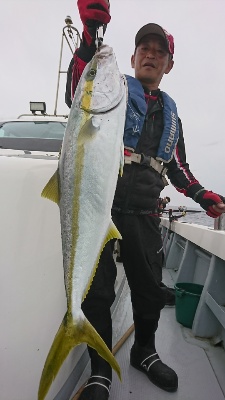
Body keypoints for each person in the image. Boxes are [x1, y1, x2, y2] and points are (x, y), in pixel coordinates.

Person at [65, 1, 225, 398]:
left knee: (150, 289)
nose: (151, 56)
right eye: (144, 49)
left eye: (159, 52)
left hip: (144, 214)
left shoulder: (171, 113)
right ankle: (100, 370)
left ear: (168, 65)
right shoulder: (111, 89)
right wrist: (89, 38)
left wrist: (203, 197)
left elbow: (177, 166)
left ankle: (145, 352)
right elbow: (78, 93)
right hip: (102, 208)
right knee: (98, 291)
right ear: (134, 56)